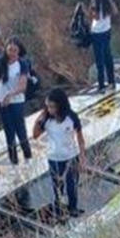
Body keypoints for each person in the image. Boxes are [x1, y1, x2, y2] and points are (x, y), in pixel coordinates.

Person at [33, 88, 86, 219]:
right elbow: (35, 135)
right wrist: (39, 120)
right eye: (48, 106)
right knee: (57, 187)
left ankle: (73, 208)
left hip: (70, 157)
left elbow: (80, 137)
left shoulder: (71, 117)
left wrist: (82, 157)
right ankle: (59, 211)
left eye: (53, 107)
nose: (50, 109)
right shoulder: (47, 119)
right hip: (54, 158)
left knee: (72, 186)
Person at [0, 38, 33, 165]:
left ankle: (27, 156)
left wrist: (10, 95)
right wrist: (0, 98)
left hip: (16, 101)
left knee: (20, 129)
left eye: (15, 50)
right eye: (10, 49)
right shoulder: (0, 63)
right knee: (9, 131)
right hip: (3, 102)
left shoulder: (22, 64)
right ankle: (13, 160)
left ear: (19, 51)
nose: (12, 53)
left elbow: (23, 86)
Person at [88, 0, 118, 93]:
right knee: (108, 57)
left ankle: (101, 85)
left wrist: (89, 9)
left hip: (97, 32)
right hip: (107, 30)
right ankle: (111, 82)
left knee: (99, 60)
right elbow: (115, 11)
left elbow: (94, 17)